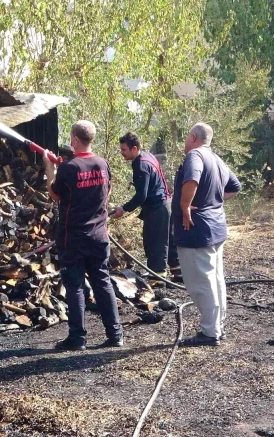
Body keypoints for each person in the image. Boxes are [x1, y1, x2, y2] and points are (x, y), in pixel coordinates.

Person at [43, 120, 123, 351]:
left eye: (71, 138)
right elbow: (106, 192)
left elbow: (55, 195)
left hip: (73, 238)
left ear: (75, 140)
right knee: (102, 282)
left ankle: (77, 339)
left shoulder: (69, 168)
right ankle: (115, 334)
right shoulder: (102, 163)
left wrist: (49, 167)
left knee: (75, 286)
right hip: (99, 236)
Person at [173, 123, 241, 347]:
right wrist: (212, 201)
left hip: (197, 230)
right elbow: (234, 186)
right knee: (215, 278)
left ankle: (210, 332)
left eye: (186, 137)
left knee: (201, 281)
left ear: (193, 137)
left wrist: (186, 206)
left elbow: (192, 179)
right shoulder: (217, 158)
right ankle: (216, 326)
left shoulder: (195, 155)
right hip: (215, 227)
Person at [110, 132, 181, 283]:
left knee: (155, 242)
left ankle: (157, 278)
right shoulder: (148, 155)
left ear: (134, 148)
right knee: (168, 239)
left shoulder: (141, 165)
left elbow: (141, 195)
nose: (122, 153)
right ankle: (178, 271)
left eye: (124, 150)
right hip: (166, 203)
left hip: (157, 208)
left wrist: (123, 209)